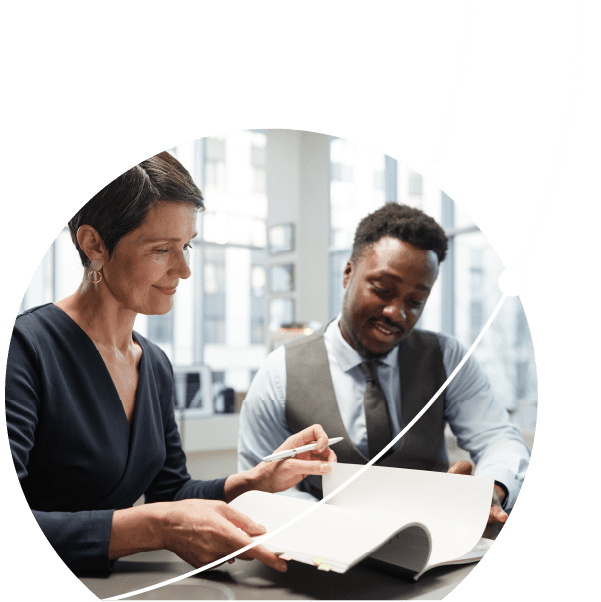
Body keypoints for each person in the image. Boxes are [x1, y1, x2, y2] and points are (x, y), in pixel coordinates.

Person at [5, 151, 336, 575]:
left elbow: (171, 491)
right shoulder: (24, 349)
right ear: (94, 245)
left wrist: (256, 480)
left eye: (187, 246)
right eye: (161, 249)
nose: (183, 269)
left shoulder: (154, 364)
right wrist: (155, 527)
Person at [238, 203, 531, 534]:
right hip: (319, 557)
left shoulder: (448, 358)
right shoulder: (279, 374)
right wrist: (345, 528)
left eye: (415, 302)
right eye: (383, 290)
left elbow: (498, 439)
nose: (396, 313)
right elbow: (260, 487)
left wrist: (489, 490)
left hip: (434, 553)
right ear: (348, 273)